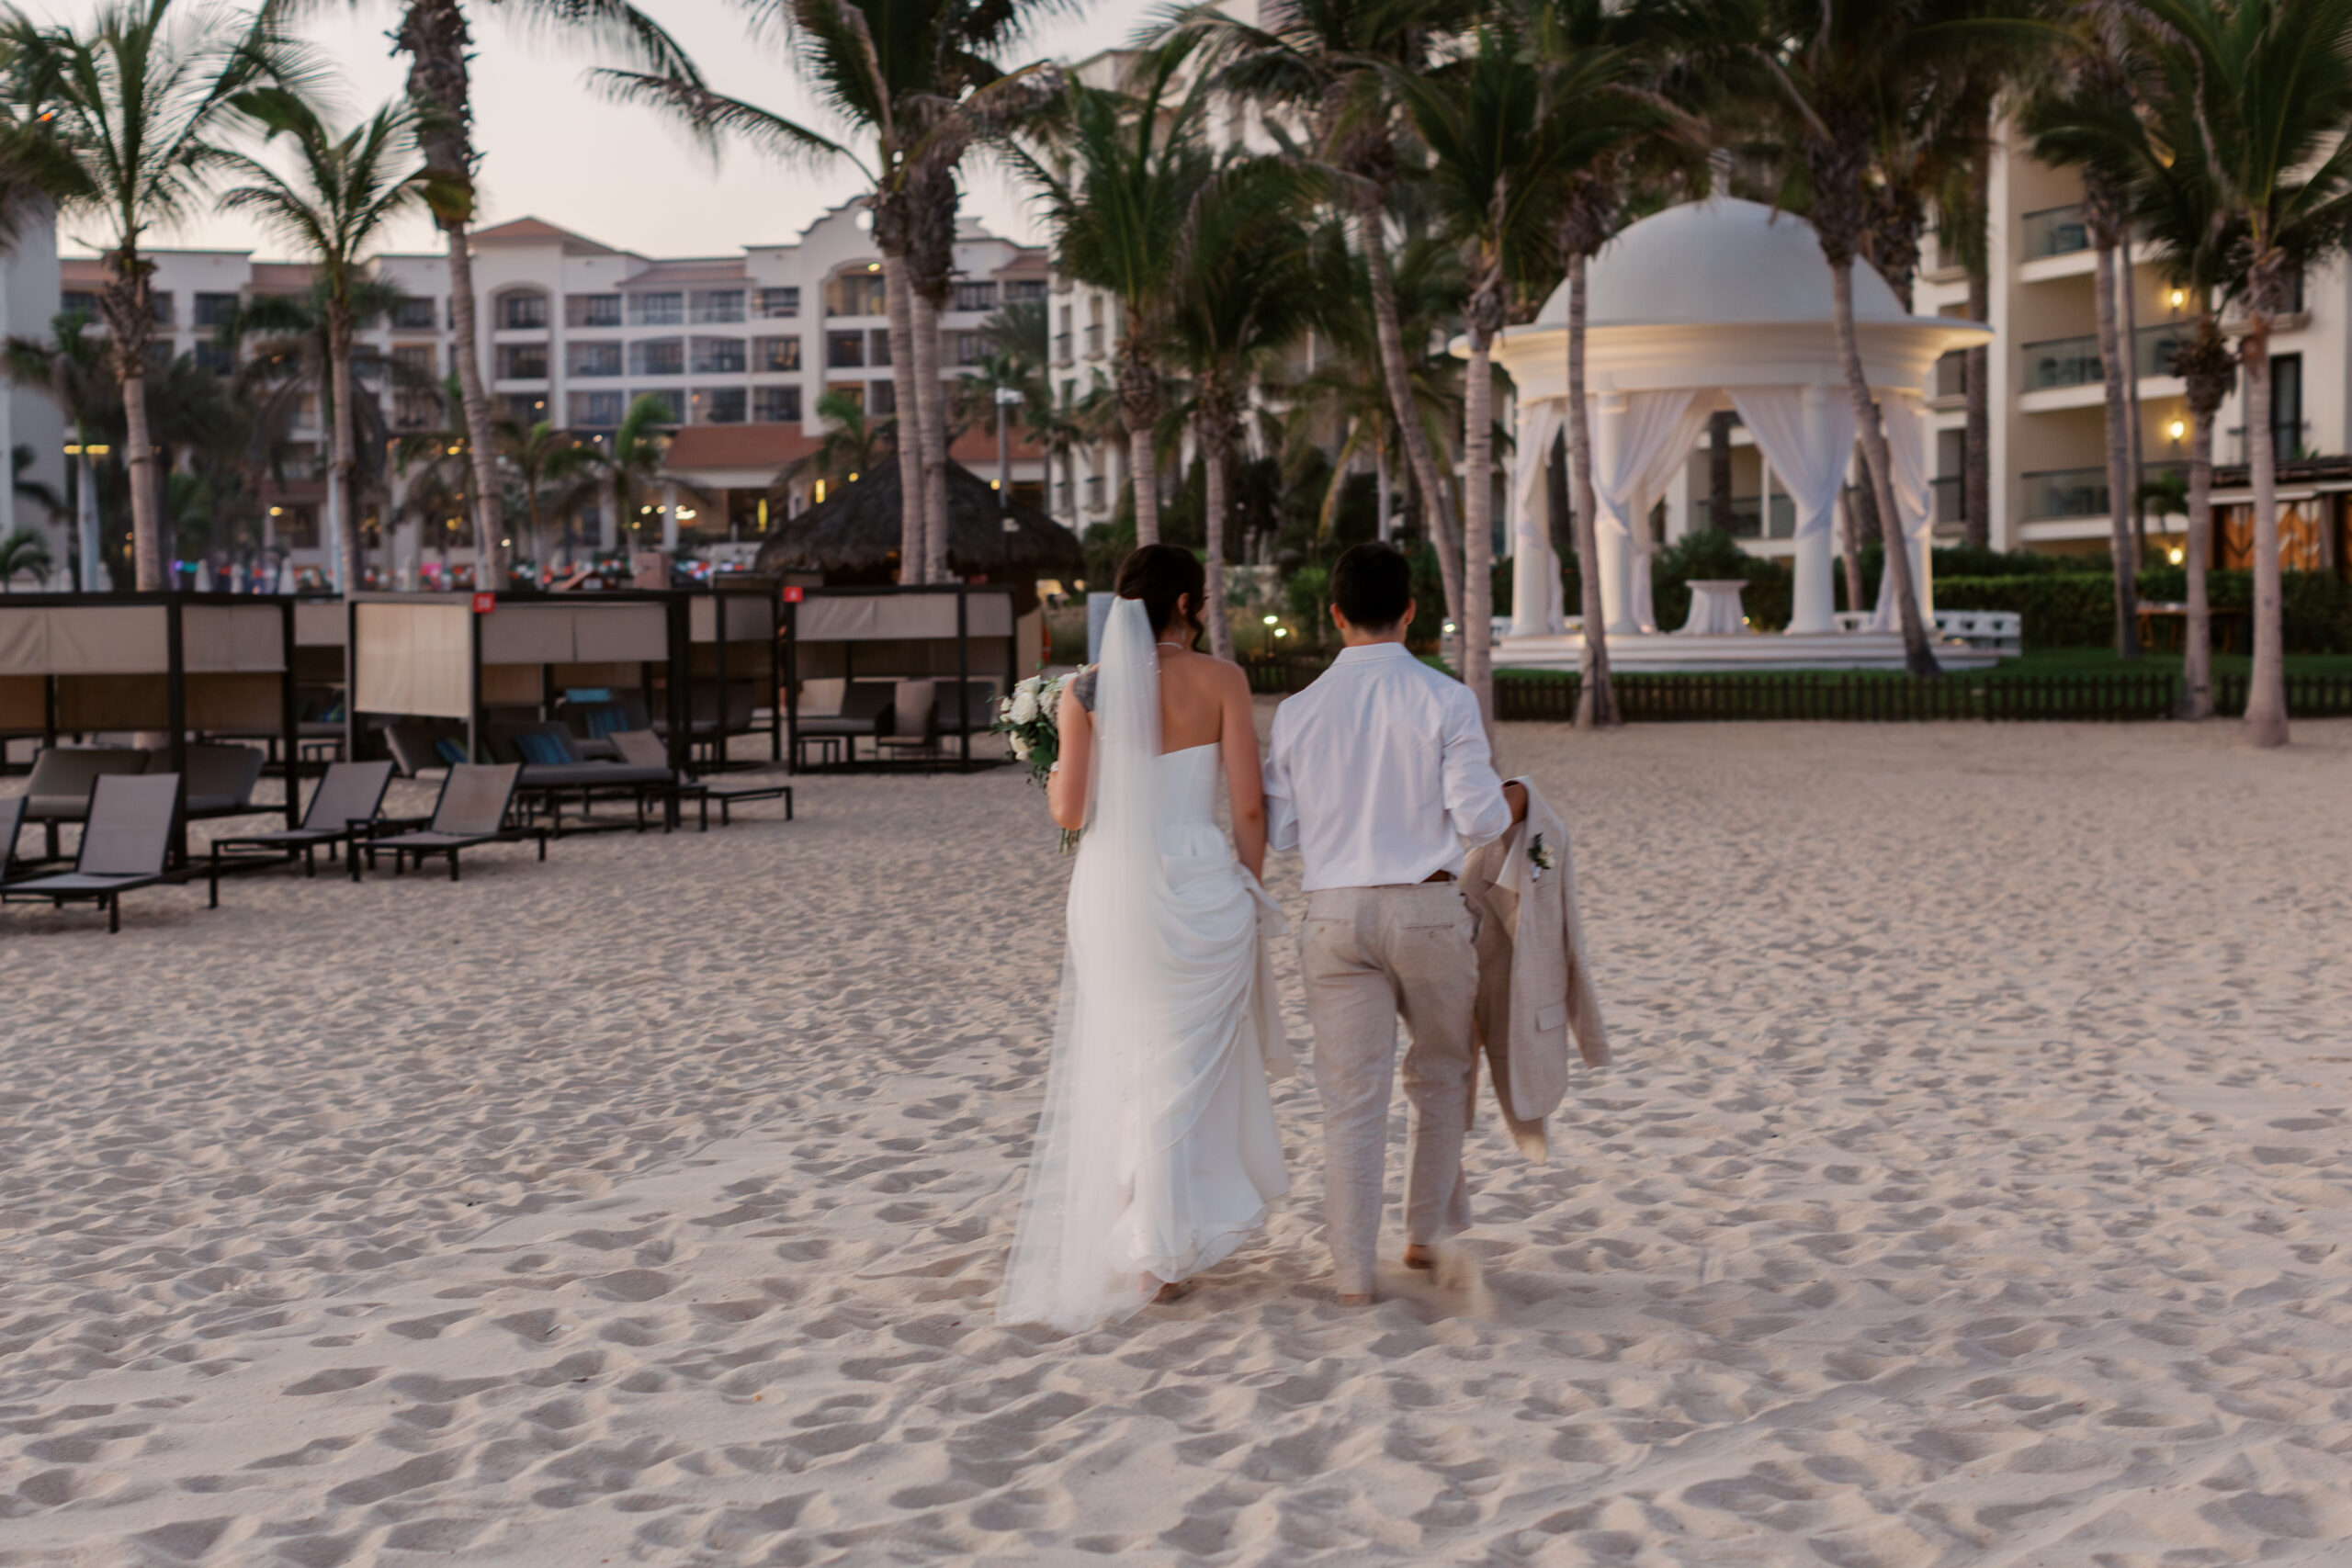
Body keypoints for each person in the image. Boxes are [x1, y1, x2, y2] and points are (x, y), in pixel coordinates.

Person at [998, 545, 1292, 1333]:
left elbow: (1070, 810)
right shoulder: (1224, 680)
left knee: (1131, 1058)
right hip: (1200, 880)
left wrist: (1053, 755)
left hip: (1114, 888)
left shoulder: (1086, 690)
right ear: (1190, 604)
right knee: (1185, 1063)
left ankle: (1148, 1239)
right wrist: (1251, 885)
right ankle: (1160, 1248)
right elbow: (1251, 807)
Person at [1262, 542, 1527, 1305]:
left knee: (1351, 1096)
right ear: (1411, 611)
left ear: (1335, 613)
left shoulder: (1299, 709)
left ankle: (1351, 1276)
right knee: (1442, 1074)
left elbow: (1284, 835)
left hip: (1335, 914)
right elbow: (1479, 820)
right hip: (1427, 911)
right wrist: (1517, 797)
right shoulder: (1444, 698)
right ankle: (1423, 1235)